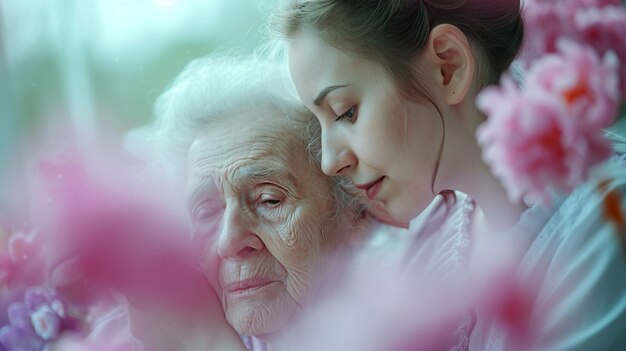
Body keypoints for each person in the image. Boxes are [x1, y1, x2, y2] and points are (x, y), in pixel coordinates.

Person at [276, 0, 626, 349]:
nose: (329, 162)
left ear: (448, 67)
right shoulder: (436, 237)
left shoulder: (607, 217)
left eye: (346, 112)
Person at [128, 54, 376, 351]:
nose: (230, 241)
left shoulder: (420, 325)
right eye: (206, 211)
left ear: (356, 211)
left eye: (269, 200)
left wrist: (208, 342)